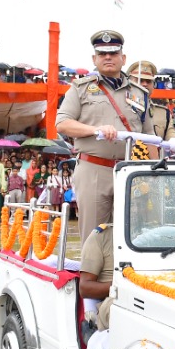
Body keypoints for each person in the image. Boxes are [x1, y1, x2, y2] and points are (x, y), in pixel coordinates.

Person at [56, 31, 155, 243]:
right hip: (94, 170)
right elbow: (62, 123)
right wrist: (95, 129)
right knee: (93, 237)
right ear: (94, 59)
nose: (107, 57)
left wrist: (156, 172)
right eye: (102, 53)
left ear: (123, 58)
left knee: (131, 235)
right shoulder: (80, 88)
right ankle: (91, 276)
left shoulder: (139, 93)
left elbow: (149, 136)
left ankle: (122, 276)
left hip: (130, 172)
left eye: (113, 53)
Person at [80, 222, 115, 349]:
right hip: (114, 300)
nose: (137, 207)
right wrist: (121, 286)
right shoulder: (101, 236)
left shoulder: (160, 234)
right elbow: (85, 287)